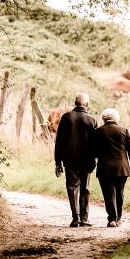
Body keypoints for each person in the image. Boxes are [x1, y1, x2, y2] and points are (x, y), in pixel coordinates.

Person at [54, 93, 98, 227]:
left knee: (72, 187)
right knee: (85, 188)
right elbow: (96, 144)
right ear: (87, 105)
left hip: (70, 160)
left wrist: (58, 162)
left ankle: (75, 218)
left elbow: (59, 142)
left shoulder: (66, 117)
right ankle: (85, 219)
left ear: (75, 102)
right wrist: (96, 159)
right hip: (87, 161)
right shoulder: (92, 120)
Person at [94, 108, 130, 227]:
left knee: (108, 194)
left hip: (104, 167)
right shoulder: (124, 131)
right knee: (120, 193)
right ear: (116, 118)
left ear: (104, 118)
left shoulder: (98, 131)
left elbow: (94, 151)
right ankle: (119, 218)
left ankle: (112, 219)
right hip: (122, 167)